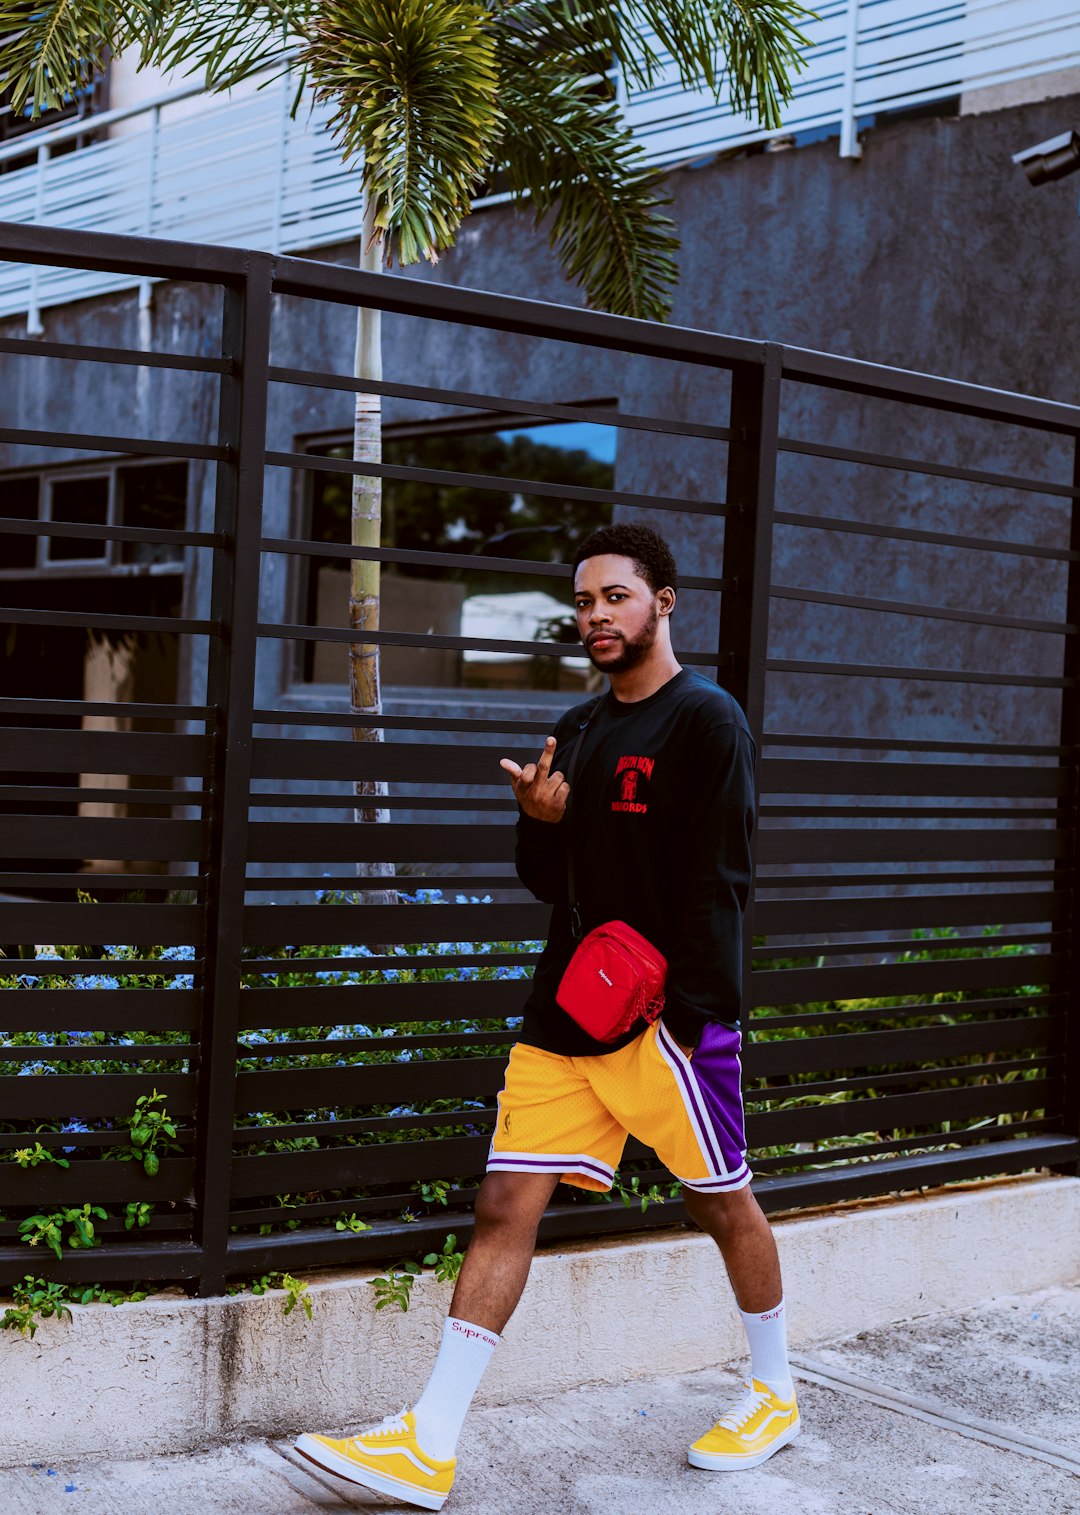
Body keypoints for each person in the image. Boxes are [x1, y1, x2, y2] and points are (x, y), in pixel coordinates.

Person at [296, 524, 798, 1509]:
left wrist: (697, 1023)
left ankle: (774, 1390)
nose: (595, 616)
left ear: (665, 601)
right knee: (502, 1207)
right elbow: (544, 883)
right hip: (565, 1014)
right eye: (584, 602)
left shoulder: (707, 725)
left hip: (667, 1026)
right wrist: (540, 822)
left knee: (719, 1200)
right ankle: (428, 1441)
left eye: (615, 596)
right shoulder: (577, 729)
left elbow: (721, 883)